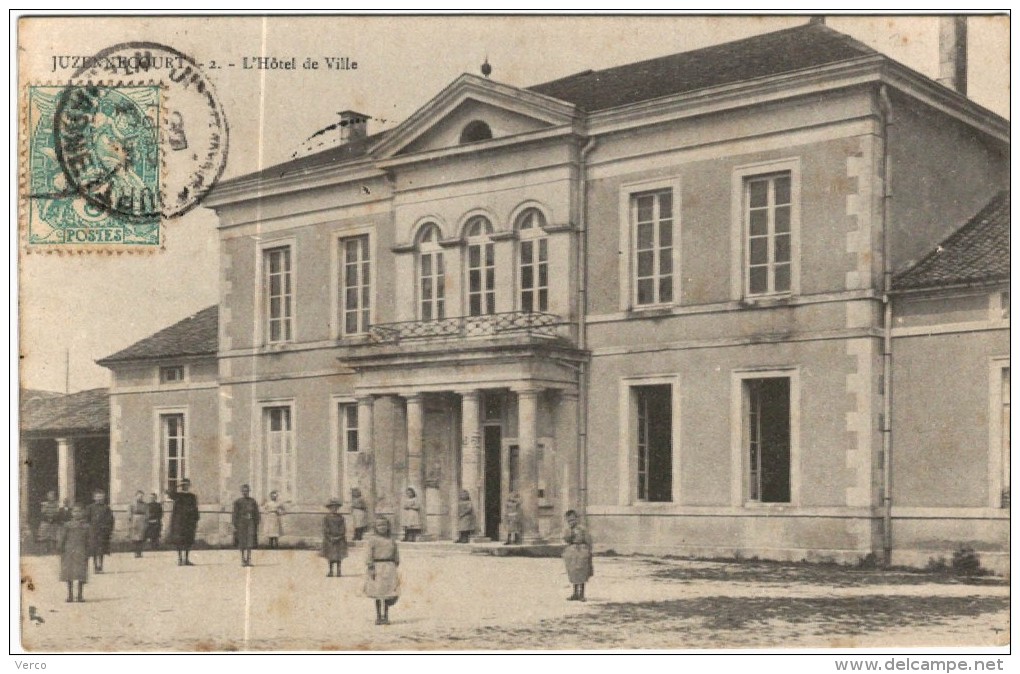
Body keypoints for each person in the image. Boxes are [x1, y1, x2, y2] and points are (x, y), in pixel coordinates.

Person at [363, 516, 400, 625]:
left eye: (384, 525)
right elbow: (369, 554)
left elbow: (396, 553)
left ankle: (386, 616)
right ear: (375, 527)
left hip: (389, 567)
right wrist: (371, 566)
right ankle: (379, 616)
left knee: (389, 593)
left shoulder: (391, 540)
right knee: (378, 593)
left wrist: (395, 563)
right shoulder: (373, 540)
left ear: (388, 526)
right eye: (379, 525)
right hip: (378, 567)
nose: (382, 527)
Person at [57, 505, 90, 602]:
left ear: (83, 513)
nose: (77, 514)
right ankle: (70, 595)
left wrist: (89, 550)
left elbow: (89, 539)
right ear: (72, 513)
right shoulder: (67, 525)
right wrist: (60, 548)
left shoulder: (86, 526)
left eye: (79, 511)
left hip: (81, 550)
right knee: (69, 573)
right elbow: (62, 537)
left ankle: (80, 595)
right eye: (75, 512)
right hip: (69, 551)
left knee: (81, 573)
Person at [166, 478, 200, 566]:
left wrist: (196, 519)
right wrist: (177, 485)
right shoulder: (177, 495)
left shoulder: (192, 496)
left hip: (189, 522)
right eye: (184, 485)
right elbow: (169, 493)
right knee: (179, 541)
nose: (186, 487)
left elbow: (195, 508)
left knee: (188, 540)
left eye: (187, 485)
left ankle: (187, 559)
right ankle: (180, 559)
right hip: (179, 522)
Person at [562, 510, 593, 602]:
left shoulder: (582, 529)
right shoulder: (568, 530)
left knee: (582, 572)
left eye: (573, 520)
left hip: (582, 550)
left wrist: (588, 551)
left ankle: (582, 594)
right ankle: (575, 593)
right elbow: (566, 540)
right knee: (573, 572)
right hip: (572, 551)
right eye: (569, 521)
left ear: (576, 519)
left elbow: (588, 540)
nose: (571, 522)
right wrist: (569, 533)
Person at [85, 490, 114, 573]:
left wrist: (109, 529)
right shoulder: (90, 507)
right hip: (93, 531)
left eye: (101, 497)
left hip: (103, 531)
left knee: (101, 549)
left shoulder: (106, 508)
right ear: (94, 498)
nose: (99, 499)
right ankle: (95, 566)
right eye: (97, 497)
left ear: (104, 498)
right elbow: (87, 519)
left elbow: (111, 519)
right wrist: (88, 529)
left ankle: (100, 566)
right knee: (94, 549)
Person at [232, 484, 260, 567]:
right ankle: (242, 559)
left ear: (249, 491)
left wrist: (256, 522)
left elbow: (256, 513)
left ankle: (249, 559)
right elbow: (235, 514)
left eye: (247, 491)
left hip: (250, 522)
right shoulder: (238, 502)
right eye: (243, 491)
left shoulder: (253, 501)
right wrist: (235, 524)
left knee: (250, 541)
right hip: (241, 523)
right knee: (242, 541)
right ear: (241, 492)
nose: (245, 492)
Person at [322, 498, 348, 577]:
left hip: (339, 539)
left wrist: (339, 536)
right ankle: (330, 571)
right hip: (329, 539)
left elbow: (343, 528)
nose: (334, 509)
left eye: (335, 508)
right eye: (332, 508)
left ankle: (339, 571)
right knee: (330, 556)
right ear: (329, 508)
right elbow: (325, 528)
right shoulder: (326, 518)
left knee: (338, 556)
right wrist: (330, 537)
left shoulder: (341, 517)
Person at [127, 490, 148, 557]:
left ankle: (140, 551)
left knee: (141, 537)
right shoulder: (132, 504)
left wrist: (146, 519)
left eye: (142, 496)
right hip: (134, 520)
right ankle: (136, 552)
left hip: (142, 520)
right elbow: (129, 512)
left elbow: (147, 513)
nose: (140, 497)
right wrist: (130, 520)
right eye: (139, 496)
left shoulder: (145, 504)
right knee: (135, 537)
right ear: (136, 496)